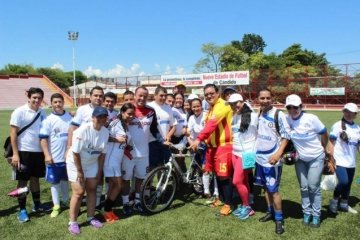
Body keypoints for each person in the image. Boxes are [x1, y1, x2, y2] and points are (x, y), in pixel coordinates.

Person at [189, 84, 233, 216]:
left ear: (217, 92)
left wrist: (198, 139)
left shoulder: (223, 105)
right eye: (206, 94)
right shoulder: (211, 108)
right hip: (212, 147)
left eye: (211, 93)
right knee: (217, 175)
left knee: (225, 176)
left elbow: (211, 125)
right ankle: (221, 199)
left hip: (224, 146)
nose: (209, 96)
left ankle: (229, 204)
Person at [285, 94, 328, 227]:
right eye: (289, 107)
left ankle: (316, 215)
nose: (293, 110)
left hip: (316, 157)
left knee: (313, 187)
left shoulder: (311, 118)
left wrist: (324, 147)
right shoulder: (287, 119)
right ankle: (306, 213)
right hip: (300, 159)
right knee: (304, 187)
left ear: (301, 106)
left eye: (295, 107)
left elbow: (324, 132)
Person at [66, 106, 109, 235]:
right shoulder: (82, 130)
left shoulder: (106, 132)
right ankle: (72, 222)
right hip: (75, 163)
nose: (101, 119)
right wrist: (80, 171)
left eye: (104, 117)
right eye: (98, 116)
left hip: (92, 163)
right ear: (92, 118)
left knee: (92, 189)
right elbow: (75, 153)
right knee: (79, 192)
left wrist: (99, 171)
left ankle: (91, 217)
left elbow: (102, 154)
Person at [10, 87, 48, 223]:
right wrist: (15, 154)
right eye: (34, 98)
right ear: (29, 97)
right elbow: (13, 133)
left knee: (35, 179)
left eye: (39, 98)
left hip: (38, 152)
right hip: (23, 152)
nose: (37, 100)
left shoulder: (42, 112)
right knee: (22, 181)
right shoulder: (19, 111)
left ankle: (37, 205)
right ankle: (22, 210)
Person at [255, 88, 290, 235]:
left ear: (272, 98)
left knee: (274, 190)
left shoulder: (278, 114)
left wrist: (278, 153)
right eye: (262, 98)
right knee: (265, 188)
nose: (265, 101)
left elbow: (286, 135)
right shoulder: (259, 112)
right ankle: (270, 212)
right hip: (259, 158)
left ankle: (279, 219)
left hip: (272, 160)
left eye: (267, 98)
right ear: (258, 99)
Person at [121, 86, 160, 215]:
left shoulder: (151, 111)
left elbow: (154, 130)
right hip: (128, 153)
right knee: (126, 179)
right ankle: (126, 203)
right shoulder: (128, 109)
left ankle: (138, 201)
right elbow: (117, 125)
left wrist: (162, 140)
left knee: (140, 178)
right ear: (135, 95)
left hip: (144, 153)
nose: (142, 98)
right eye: (140, 95)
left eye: (145, 96)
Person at [67, 86, 104, 210]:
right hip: (80, 150)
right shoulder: (83, 109)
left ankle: (95, 207)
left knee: (93, 185)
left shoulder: (105, 111)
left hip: (95, 152)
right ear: (90, 96)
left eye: (100, 96)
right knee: (79, 190)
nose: (98, 98)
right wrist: (69, 146)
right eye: (96, 95)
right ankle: (74, 217)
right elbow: (73, 127)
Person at [39, 93, 72, 218]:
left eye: (60, 101)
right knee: (55, 182)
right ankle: (56, 205)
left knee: (65, 180)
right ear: (51, 104)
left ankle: (65, 200)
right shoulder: (48, 120)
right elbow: (42, 139)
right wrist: (47, 155)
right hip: (54, 157)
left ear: (63, 102)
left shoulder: (70, 117)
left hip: (68, 157)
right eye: (55, 102)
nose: (58, 104)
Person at [103, 103, 135, 223]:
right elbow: (103, 135)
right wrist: (116, 139)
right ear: (122, 112)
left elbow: (124, 141)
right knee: (119, 185)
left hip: (117, 159)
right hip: (110, 159)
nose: (131, 116)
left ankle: (108, 210)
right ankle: (107, 210)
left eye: (133, 114)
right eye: (128, 114)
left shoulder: (125, 125)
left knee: (113, 186)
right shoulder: (115, 122)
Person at [228, 93, 258, 220]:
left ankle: (247, 206)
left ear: (242, 102)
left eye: (237, 103)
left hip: (247, 153)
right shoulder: (234, 116)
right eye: (232, 104)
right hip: (235, 152)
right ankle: (246, 203)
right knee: (244, 179)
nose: (235, 106)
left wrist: (254, 152)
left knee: (236, 181)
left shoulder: (253, 116)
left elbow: (259, 134)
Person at [328, 103, 360, 215]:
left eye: (352, 112)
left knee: (348, 184)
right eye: (347, 111)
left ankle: (344, 204)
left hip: (351, 162)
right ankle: (334, 200)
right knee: (343, 181)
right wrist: (331, 159)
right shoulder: (337, 125)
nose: (349, 114)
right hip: (339, 160)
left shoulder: (357, 128)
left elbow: (358, 145)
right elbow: (331, 143)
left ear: (355, 114)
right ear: (343, 112)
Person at [186, 97, 219, 203]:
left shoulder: (206, 115)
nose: (196, 108)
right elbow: (188, 133)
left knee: (212, 169)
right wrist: (192, 143)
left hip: (209, 145)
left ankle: (216, 192)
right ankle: (206, 191)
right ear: (191, 107)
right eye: (194, 107)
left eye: (198, 106)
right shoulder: (191, 118)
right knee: (202, 169)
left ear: (201, 106)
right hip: (197, 146)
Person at [148, 86, 176, 169]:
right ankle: (150, 182)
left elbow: (173, 125)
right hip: (152, 142)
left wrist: (168, 136)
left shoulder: (168, 108)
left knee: (163, 167)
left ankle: (162, 182)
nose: (163, 98)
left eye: (165, 95)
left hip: (165, 143)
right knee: (151, 168)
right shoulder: (149, 107)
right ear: (155, 95)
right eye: (161, 95)